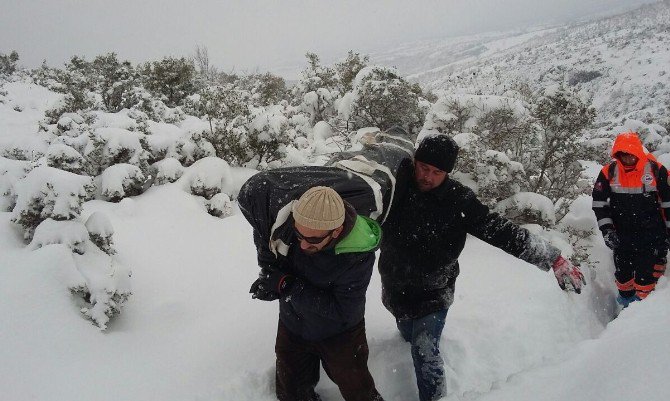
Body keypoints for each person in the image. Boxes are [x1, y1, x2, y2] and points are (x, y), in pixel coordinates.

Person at [378, 132, 585, 401]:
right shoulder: (397, 189)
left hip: (433, 292)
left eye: (437, 172)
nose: (427, 177)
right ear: (414, 162)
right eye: (424, 168)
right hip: (395, 288)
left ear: (447, 173)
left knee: (425, 352)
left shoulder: (458, 201)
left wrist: (552, 258)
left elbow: (502, 231)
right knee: (407, 336)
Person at [238, 184, 385, 401]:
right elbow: (267, 241)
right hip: (293, 325)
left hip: (340, 334)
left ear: (336, 230)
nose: (304, 245)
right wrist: (272, 279)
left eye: (313, 239)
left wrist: (287, 286)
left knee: (360, 393)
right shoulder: (291, 225)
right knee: (292, 393)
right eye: (300, 235)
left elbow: (342, 310)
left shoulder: (356, 255)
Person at [592, 131, 669, 307]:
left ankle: (643, 316)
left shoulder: (656, 170)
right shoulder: (608, 172)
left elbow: (668, 204)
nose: (627, 158)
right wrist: (607, 230)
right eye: (623, 155)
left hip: (652, 237)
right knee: (623, 278)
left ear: (637, 152)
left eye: (630, 154)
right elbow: (599, 203)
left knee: (645, 281)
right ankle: (625, 307)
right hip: (622, 236)